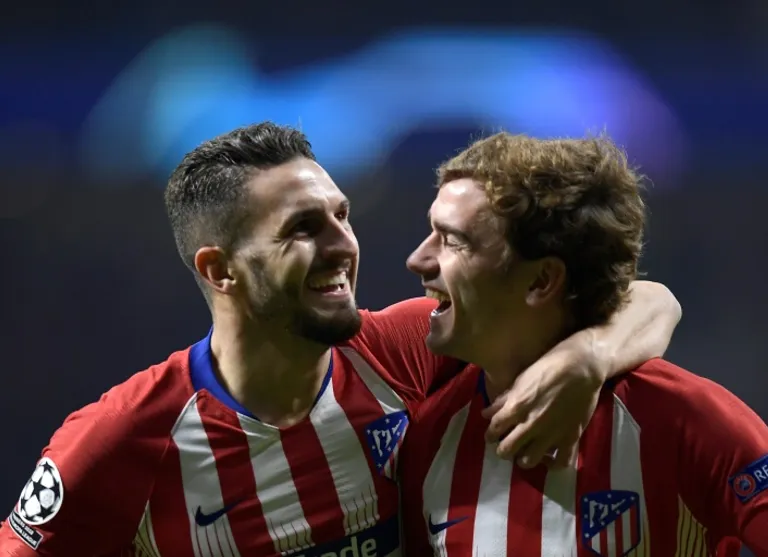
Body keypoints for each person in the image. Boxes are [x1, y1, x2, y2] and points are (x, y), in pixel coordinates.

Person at [0, 123, 680, 556]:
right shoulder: (123, 440)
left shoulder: (401, 352)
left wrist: (588, 355)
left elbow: (649, 300)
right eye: (303, 228)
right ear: (220, 270)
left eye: (341, 215)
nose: (343, 245)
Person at [400, 132, 768, 556]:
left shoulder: (685, 419)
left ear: (541, 281)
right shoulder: (431, 436)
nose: (417, 260)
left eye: (452, 241)